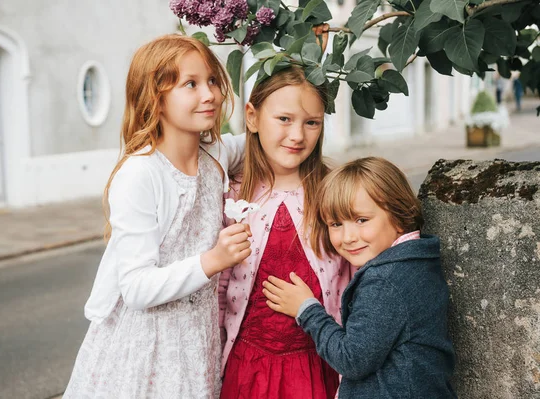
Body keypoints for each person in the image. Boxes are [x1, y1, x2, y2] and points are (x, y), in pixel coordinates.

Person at [63, 34, 249, 398]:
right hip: (149, 346)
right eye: (190, 84)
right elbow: (135, 287)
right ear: (156, 99)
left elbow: (263, 139)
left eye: (212, 80)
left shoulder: (215, 156)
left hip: (198, 339)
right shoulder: (141, 174)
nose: (209, 94)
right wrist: (213, 260)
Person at [263, 157, 456, 398]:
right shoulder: (416, 262)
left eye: (361, 220)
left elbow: (352, 358)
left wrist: (307, 309)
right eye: (336, 224)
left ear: (399, 217)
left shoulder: (385, 282)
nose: (348, 237)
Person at [218, 66, 355, 399]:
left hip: (314, 368)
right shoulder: (233, 196)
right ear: (252, 117)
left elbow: (357, 276)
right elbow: (219, 291)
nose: (297, 135)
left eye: (311, 122)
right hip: (247, 368)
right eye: (284, 119)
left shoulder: (334, 192)